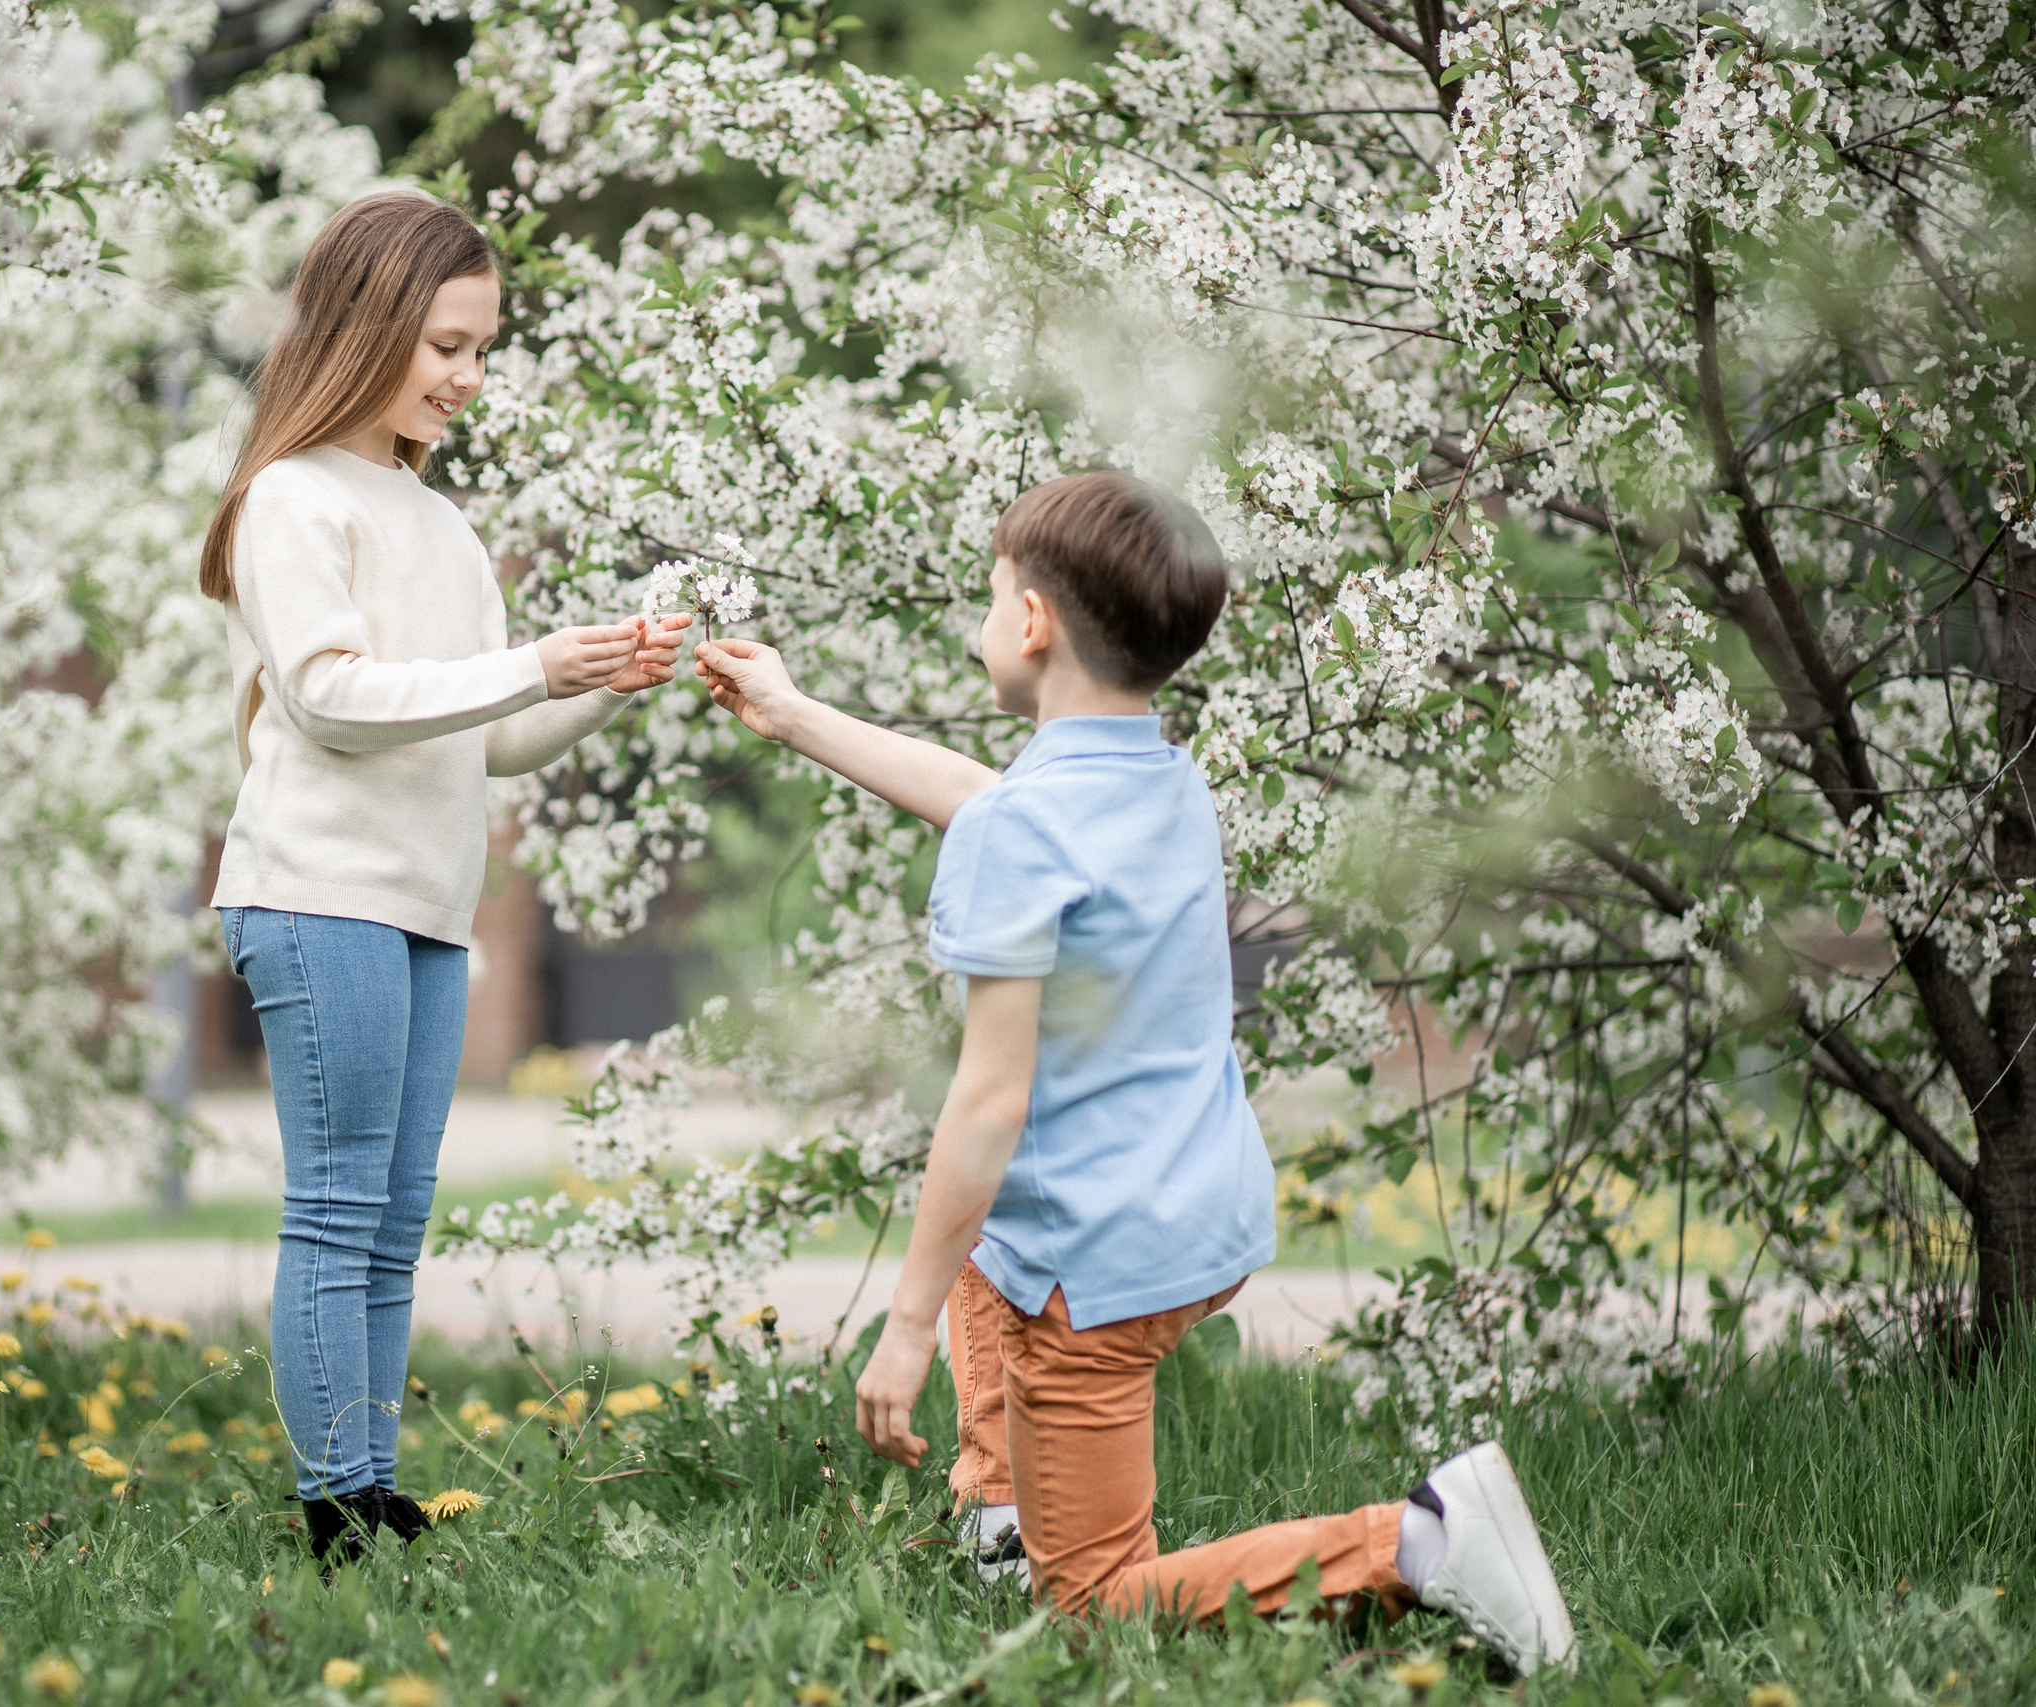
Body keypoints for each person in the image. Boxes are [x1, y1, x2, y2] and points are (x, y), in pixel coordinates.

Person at [694, 472, 1578, 1674]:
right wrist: (794, 714)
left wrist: (901, 1328)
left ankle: (1417, 1544)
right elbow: (989, 803)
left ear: (1031, 623)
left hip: (1097, 1266)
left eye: (990, 597)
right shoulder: (1162, 777)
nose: (982, 620)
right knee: (985, 1257)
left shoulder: (1023, 829)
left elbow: (988, 1101)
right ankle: (1007, 1516)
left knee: (1093, 1606)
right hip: (1194, 1203)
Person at [199, 190, 691, 1570]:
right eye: (447, 346)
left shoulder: (443, 525)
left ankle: (371, 1491)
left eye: (483, 350)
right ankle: (335, 1508)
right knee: (337, 1209)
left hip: (423, 908)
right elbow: (331, 696)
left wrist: (604, 677)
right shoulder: (292, 499)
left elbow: (498, 738)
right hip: (317, 895)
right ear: (365, 328)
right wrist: (535, 660)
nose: (469, 376)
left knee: (394, 1222)